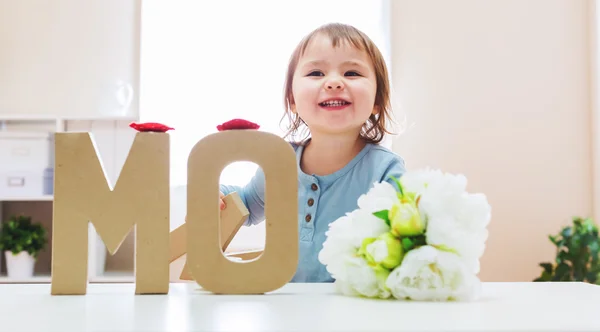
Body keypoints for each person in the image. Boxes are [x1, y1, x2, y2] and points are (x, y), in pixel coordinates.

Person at [219, 22, 406, 283]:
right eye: (316, 73)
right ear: (292, 101)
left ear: (377, 100)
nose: (333, 82)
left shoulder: (385, 171)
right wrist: (213, 195)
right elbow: (247, 205)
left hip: (356, 308)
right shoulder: (279, 163)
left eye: (352, 73)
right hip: (288, 310)